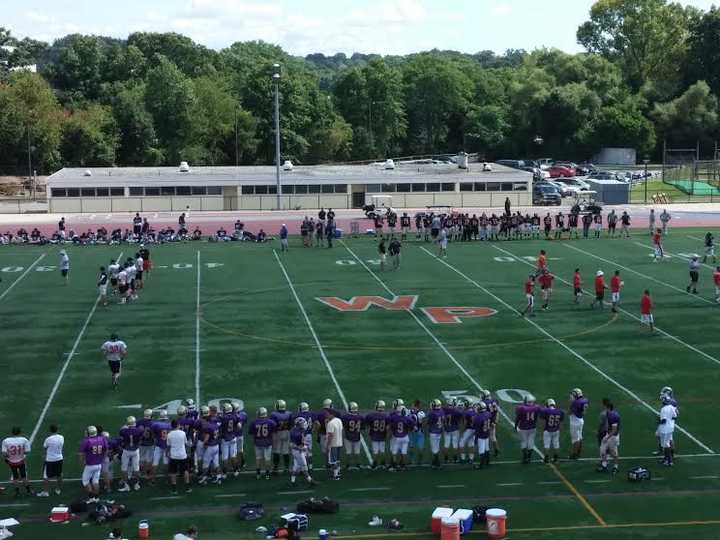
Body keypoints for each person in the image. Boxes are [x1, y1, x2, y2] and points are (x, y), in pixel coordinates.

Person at [2, 427, 32, 497]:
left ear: (12, 432)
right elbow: (27, 451)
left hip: (11, 461)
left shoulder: (6, 441)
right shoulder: (24, 440)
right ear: (20, 432)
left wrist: (8, 457)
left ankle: (17, 491)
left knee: (15, 476)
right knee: (24, 476)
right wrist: (21, 453)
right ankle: (28, 490)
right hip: (21, 461)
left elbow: (4, 453)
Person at [80, 425, 107, 501]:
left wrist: (82, 463)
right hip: (99, 464)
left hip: (90, 464)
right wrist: (103, 459)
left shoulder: (86, 441)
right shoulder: (102, 439)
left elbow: (81, 454)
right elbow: (106, 450)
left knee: (85, 481)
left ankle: (91, 497)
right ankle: (96, 497)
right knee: (95, 481)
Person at [118, 416, 143, 492]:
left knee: (124, 468)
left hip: (127, 450)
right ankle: (137, 484)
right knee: (136, 468)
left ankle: (126, 485)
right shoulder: (139, 430)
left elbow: (121, 432)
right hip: (135, 450)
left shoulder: (123, 431)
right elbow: (141, 433)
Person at [249, 407, 276, 480]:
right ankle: (267, 474)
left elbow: (251, 433)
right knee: (267, 459)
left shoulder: (254, 422)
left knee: (258, 458)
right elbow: (273, 432)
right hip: (267, 443)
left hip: (258, 443)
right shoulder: (271, 422)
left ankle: (258, 473)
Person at [37, 424, 64, 497]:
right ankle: (58, 489)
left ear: (50, 430)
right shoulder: (61, 437)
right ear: (57, 429)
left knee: (46, 476)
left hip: (50, 460)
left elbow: (45, 448)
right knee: (59, 474)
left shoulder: (48, 439)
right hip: (59, 458)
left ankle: (45, 492)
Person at [167, 419, 191, 495]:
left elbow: (168, 445)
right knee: (185, 471)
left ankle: (174, 489)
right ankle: (187, 487)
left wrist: (167, 453)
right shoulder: (183, 433)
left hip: (173, 456)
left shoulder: (169, 434)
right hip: (182, 455)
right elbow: (186, 443)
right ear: (178, 425)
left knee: (173, 472)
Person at [514, 395, 540, 464]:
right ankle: (529, 457)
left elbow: (518, 418)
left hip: (523, 428)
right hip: (532, 427)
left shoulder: (521, 408)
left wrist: (515, 425)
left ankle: (525, 457)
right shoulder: (537, 407)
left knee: (524, 442)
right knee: (531, 441)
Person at [290, 417, 316, 486]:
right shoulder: (298, 433)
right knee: (304, 467)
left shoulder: (296, 430)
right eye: (303, 423)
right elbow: (292, 445)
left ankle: (292, 481)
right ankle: (310, 481)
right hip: (298, 452)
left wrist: (304, 445)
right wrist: (301, 448)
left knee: (295, 467)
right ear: (299, 424)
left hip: (296, 451)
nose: (305, 424)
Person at [597, 402, 620, 474]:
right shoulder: (608, 414)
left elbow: (614, 430)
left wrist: (607, 437)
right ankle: (604, 465)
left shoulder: (613, 416)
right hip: (608, 434)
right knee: (602, 450)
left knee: (614, 452)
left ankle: (615, 467)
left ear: (608, 408)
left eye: (605, 408)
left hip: (613, 436)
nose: (604, 409)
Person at [270, 400, 292, 475]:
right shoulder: (289, 413)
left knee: (276, 451)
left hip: (277, 433)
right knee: (286, 451)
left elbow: (272, 425)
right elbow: (291, 424)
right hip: (286, 433)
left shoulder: (273, 414)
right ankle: (287, 468)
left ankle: (275, 468)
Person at [366, 401, 388, 470]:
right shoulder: (386, 416)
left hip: (374, 435)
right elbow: (387, 427)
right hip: (382, 435)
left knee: (375, 451)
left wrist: (369, 432)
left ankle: (374, 464)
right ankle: (383, 464)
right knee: (382, 451)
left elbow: (367, 425)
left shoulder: (371, 415)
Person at [657, 395, 678, 467]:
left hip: (664, 429)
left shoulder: (663, 409)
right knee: (668, 443)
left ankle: (669, 461)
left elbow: (663, 420)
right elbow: (675, 417)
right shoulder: (672, 407)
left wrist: (658, 421)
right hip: (670, 428)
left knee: (666, 445)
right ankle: (666, 459)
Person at [541, 399, 564, 464]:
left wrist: (543, 429)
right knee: (556, 444)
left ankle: (546, 459)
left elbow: (543, 421)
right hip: (556, 430)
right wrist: (560, 429)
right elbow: (561, 422)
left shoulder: (546, 411)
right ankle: (556, 459)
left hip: (547, 430)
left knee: (547, 445)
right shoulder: (560, 411)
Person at [342, 402, 363, 471]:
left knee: (348, 452)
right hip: (357, 436)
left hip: (348, 436)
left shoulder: (346, 417)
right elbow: (363, 428)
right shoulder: (360, 417)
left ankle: (348, 465)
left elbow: (344, 427)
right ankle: (358, 464)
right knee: (357, 452)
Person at [568, 388, 589, 459]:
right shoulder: (585, 400)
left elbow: (570, 412)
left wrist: (571, 403)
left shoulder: (575, 402)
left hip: (575, 421)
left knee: (575, 439)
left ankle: (574, 454)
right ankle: (578, 452)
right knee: (579, 437)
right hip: (581, 420)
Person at [325, 409, 343, 480]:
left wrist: (328, 445)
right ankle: (338, 472)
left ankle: (335, 476)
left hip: (333, 444)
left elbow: (330, 435)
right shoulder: (339, 420)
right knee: (337, 460)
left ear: (331, 414)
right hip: (339, 443)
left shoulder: (330, 423)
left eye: (327, 414)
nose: (326, 415)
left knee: (333, 461)